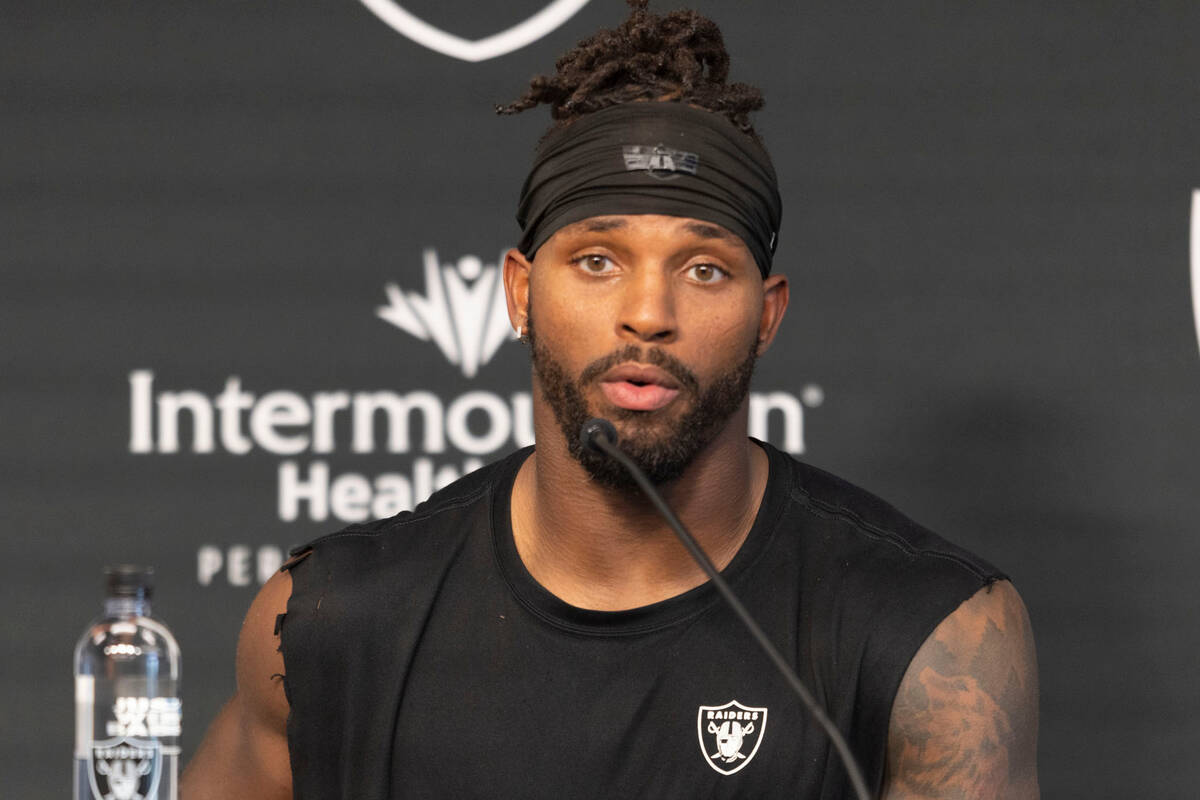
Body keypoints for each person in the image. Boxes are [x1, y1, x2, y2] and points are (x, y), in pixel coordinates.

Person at [181, 2, 1038, 797]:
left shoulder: (930, 638)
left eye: (704, 269)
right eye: (597, 260)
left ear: (766, 315)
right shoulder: (329, 625)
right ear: (520, 294)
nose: (648, 314)